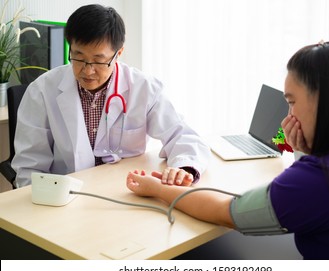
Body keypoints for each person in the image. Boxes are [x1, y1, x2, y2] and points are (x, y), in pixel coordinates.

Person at [126, 41, 329, 260]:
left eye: (292, 102)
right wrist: (304, 150)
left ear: (322, 100)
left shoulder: (322, 180)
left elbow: (226, 212)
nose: (288, 115)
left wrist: (158, 189)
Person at [12, 4, 210, 188]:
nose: (87, 71)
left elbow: (182, 136)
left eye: (99, 61)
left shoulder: (144, 88)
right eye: (78, 57)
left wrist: (183, 168)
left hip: (125, 191)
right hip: (66, 195)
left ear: (119, 53)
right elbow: (29, 164)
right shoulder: (42, 90)